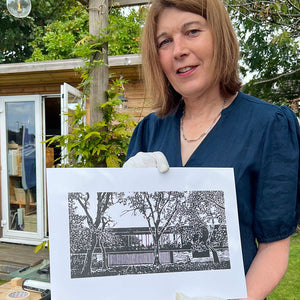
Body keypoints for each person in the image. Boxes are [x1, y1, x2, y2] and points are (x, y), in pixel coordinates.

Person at [123, 0, 300, 299]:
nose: (178, 49)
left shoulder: (270, 125)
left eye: (191, 31)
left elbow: (274, 246)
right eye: (164, 41)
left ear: (220, 36)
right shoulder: (148, 132)